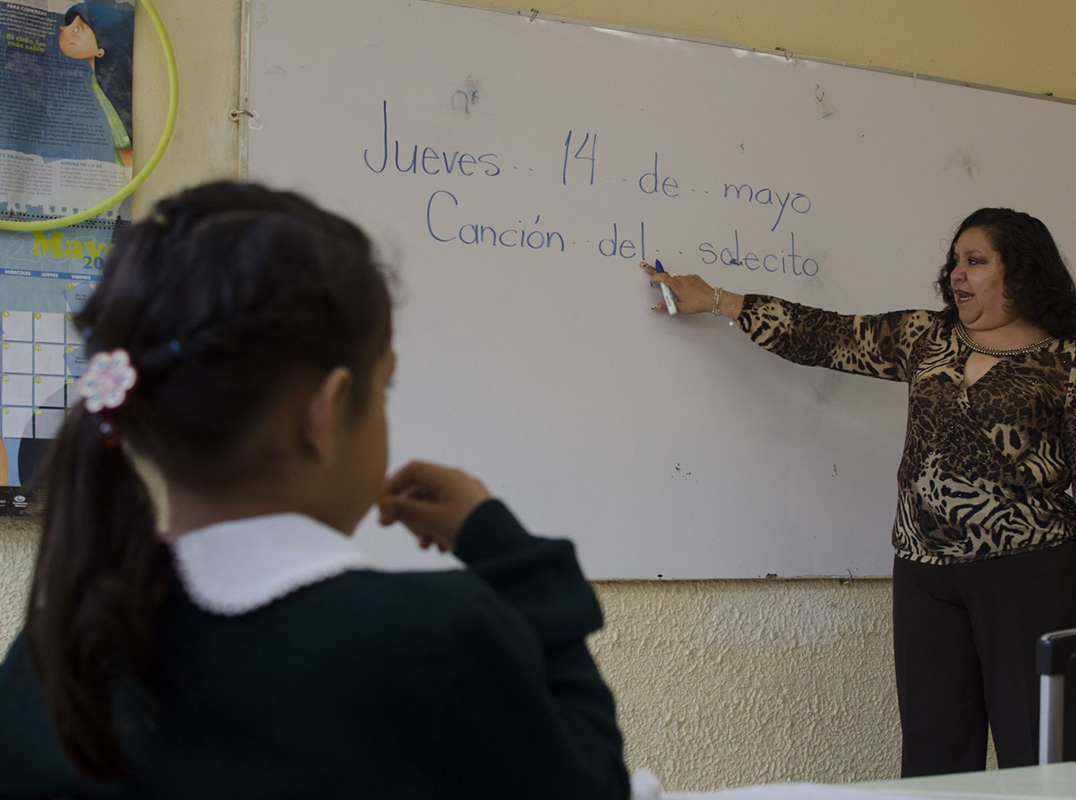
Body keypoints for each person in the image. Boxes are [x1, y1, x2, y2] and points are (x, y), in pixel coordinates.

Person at [0, 182, 629, 799]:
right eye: (384, 390)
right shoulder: (436, 641)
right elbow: (592, 780)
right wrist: (508, 551)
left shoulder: (52, 650)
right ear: (323, 415)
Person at [643, 208, 1076, 777]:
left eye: (975, 261)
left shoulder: (1070, 363)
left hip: (1033, 574)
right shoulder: (925, 336)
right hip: (926, 574)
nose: (957, 273)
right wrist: (718, 299)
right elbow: (826, 336)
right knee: (933, 754)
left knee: (1040, 755)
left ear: (1021, 273)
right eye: (955, 260)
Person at [58, 2, 133, 169]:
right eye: (68, 28)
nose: (64, 31)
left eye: (77, 30)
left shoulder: (110, 79)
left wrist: (125, 156)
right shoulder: (93, 80)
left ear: (101, 49)